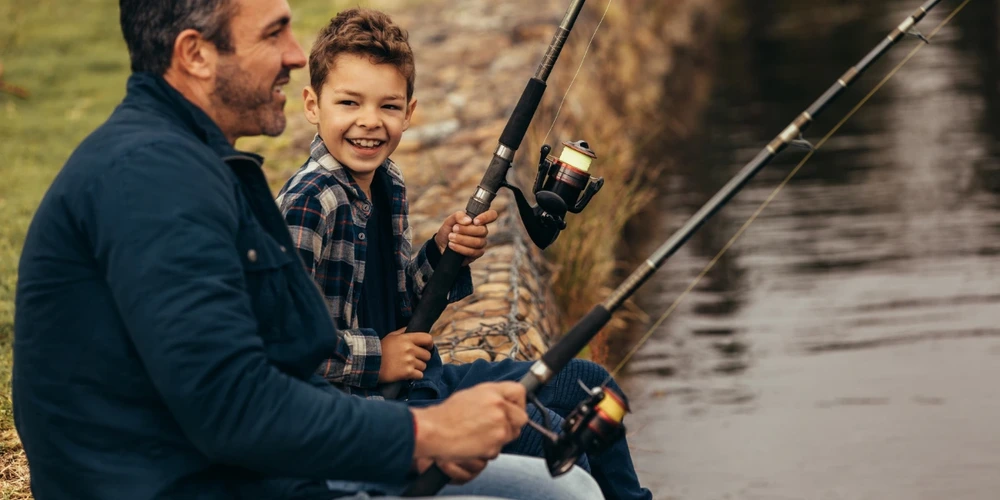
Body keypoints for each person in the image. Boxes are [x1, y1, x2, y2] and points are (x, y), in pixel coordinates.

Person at [11, 0, 604, 499]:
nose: (297, 55)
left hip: (247, 469)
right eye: (274, 33)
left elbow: (274, 362)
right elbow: (237, 405)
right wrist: (425, 433)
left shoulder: (189, 163)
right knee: (568, 490)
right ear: (195, 54)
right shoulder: (154, 180)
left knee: (577, 415)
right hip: (207, 482)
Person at [277, 8, 652, 500]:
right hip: (361, 415)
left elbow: (401, 304)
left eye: (388, 107)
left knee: (591, 387)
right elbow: (284, 348)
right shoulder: (309, 204)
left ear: (410, 112)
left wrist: (440, 252)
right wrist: (378, 359)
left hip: (420, 385)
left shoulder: (386, 181)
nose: (369, 122)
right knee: (557, 441)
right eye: (349, 102)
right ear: (312, 104)